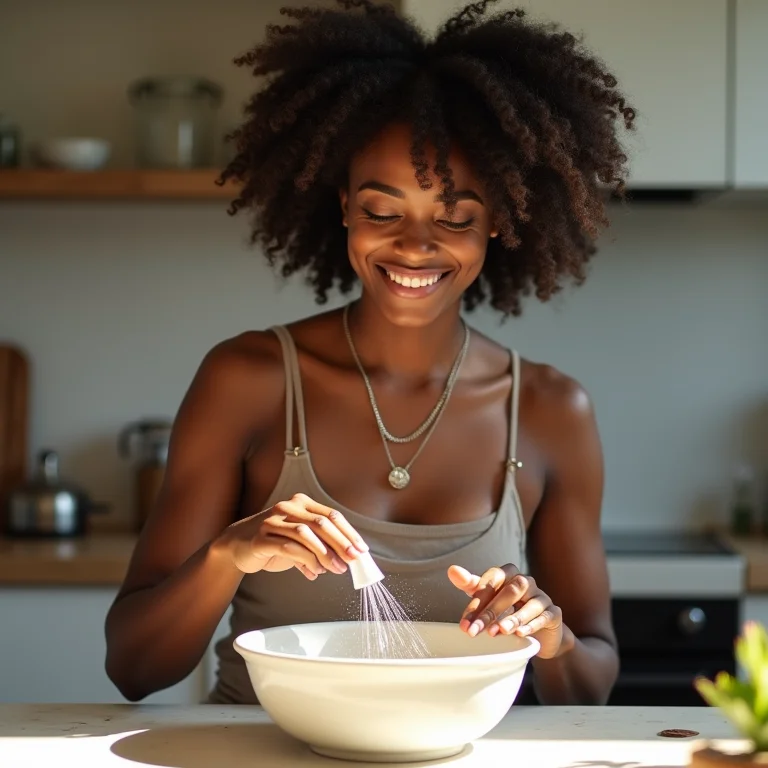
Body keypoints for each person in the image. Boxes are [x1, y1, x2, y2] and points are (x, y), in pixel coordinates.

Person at [105, 0, 635, 706]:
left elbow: (589, 687)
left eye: (455, 218)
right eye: (382, 211)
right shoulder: (248, 380)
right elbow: (134, 667)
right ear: (344, 205)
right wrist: (229, 554)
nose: (415, 246)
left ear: (497, 224)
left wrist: (553, 637)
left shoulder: (550, 411)